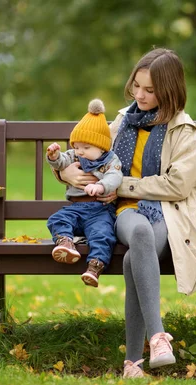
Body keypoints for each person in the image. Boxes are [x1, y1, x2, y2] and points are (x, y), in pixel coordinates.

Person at [54, 48, 196, 378]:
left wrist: (122, 184)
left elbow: (178, 186)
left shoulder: (183, 131)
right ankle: (157, 336)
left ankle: (132, 364)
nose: (139, 95)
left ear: (169, 90)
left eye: (150, 90)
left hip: (168, 214)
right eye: (136, 86)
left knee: (131, 260)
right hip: (124, 212)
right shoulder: (123, 121)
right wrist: (64, 173)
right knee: (138, 234)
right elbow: (88, 153)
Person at [46, 99, 122, 288]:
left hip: (100, 210)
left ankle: (95, 266)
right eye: (77, 146)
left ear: (102, 147)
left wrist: (102, 186)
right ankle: (65, 243)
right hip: (77, 208)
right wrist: (54, 157)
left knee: (103, 235)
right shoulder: (75, 154)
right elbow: (63, 162)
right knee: (57, 219)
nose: (80, 151)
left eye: (86, 148)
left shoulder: (110, 160)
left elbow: (115, 176)